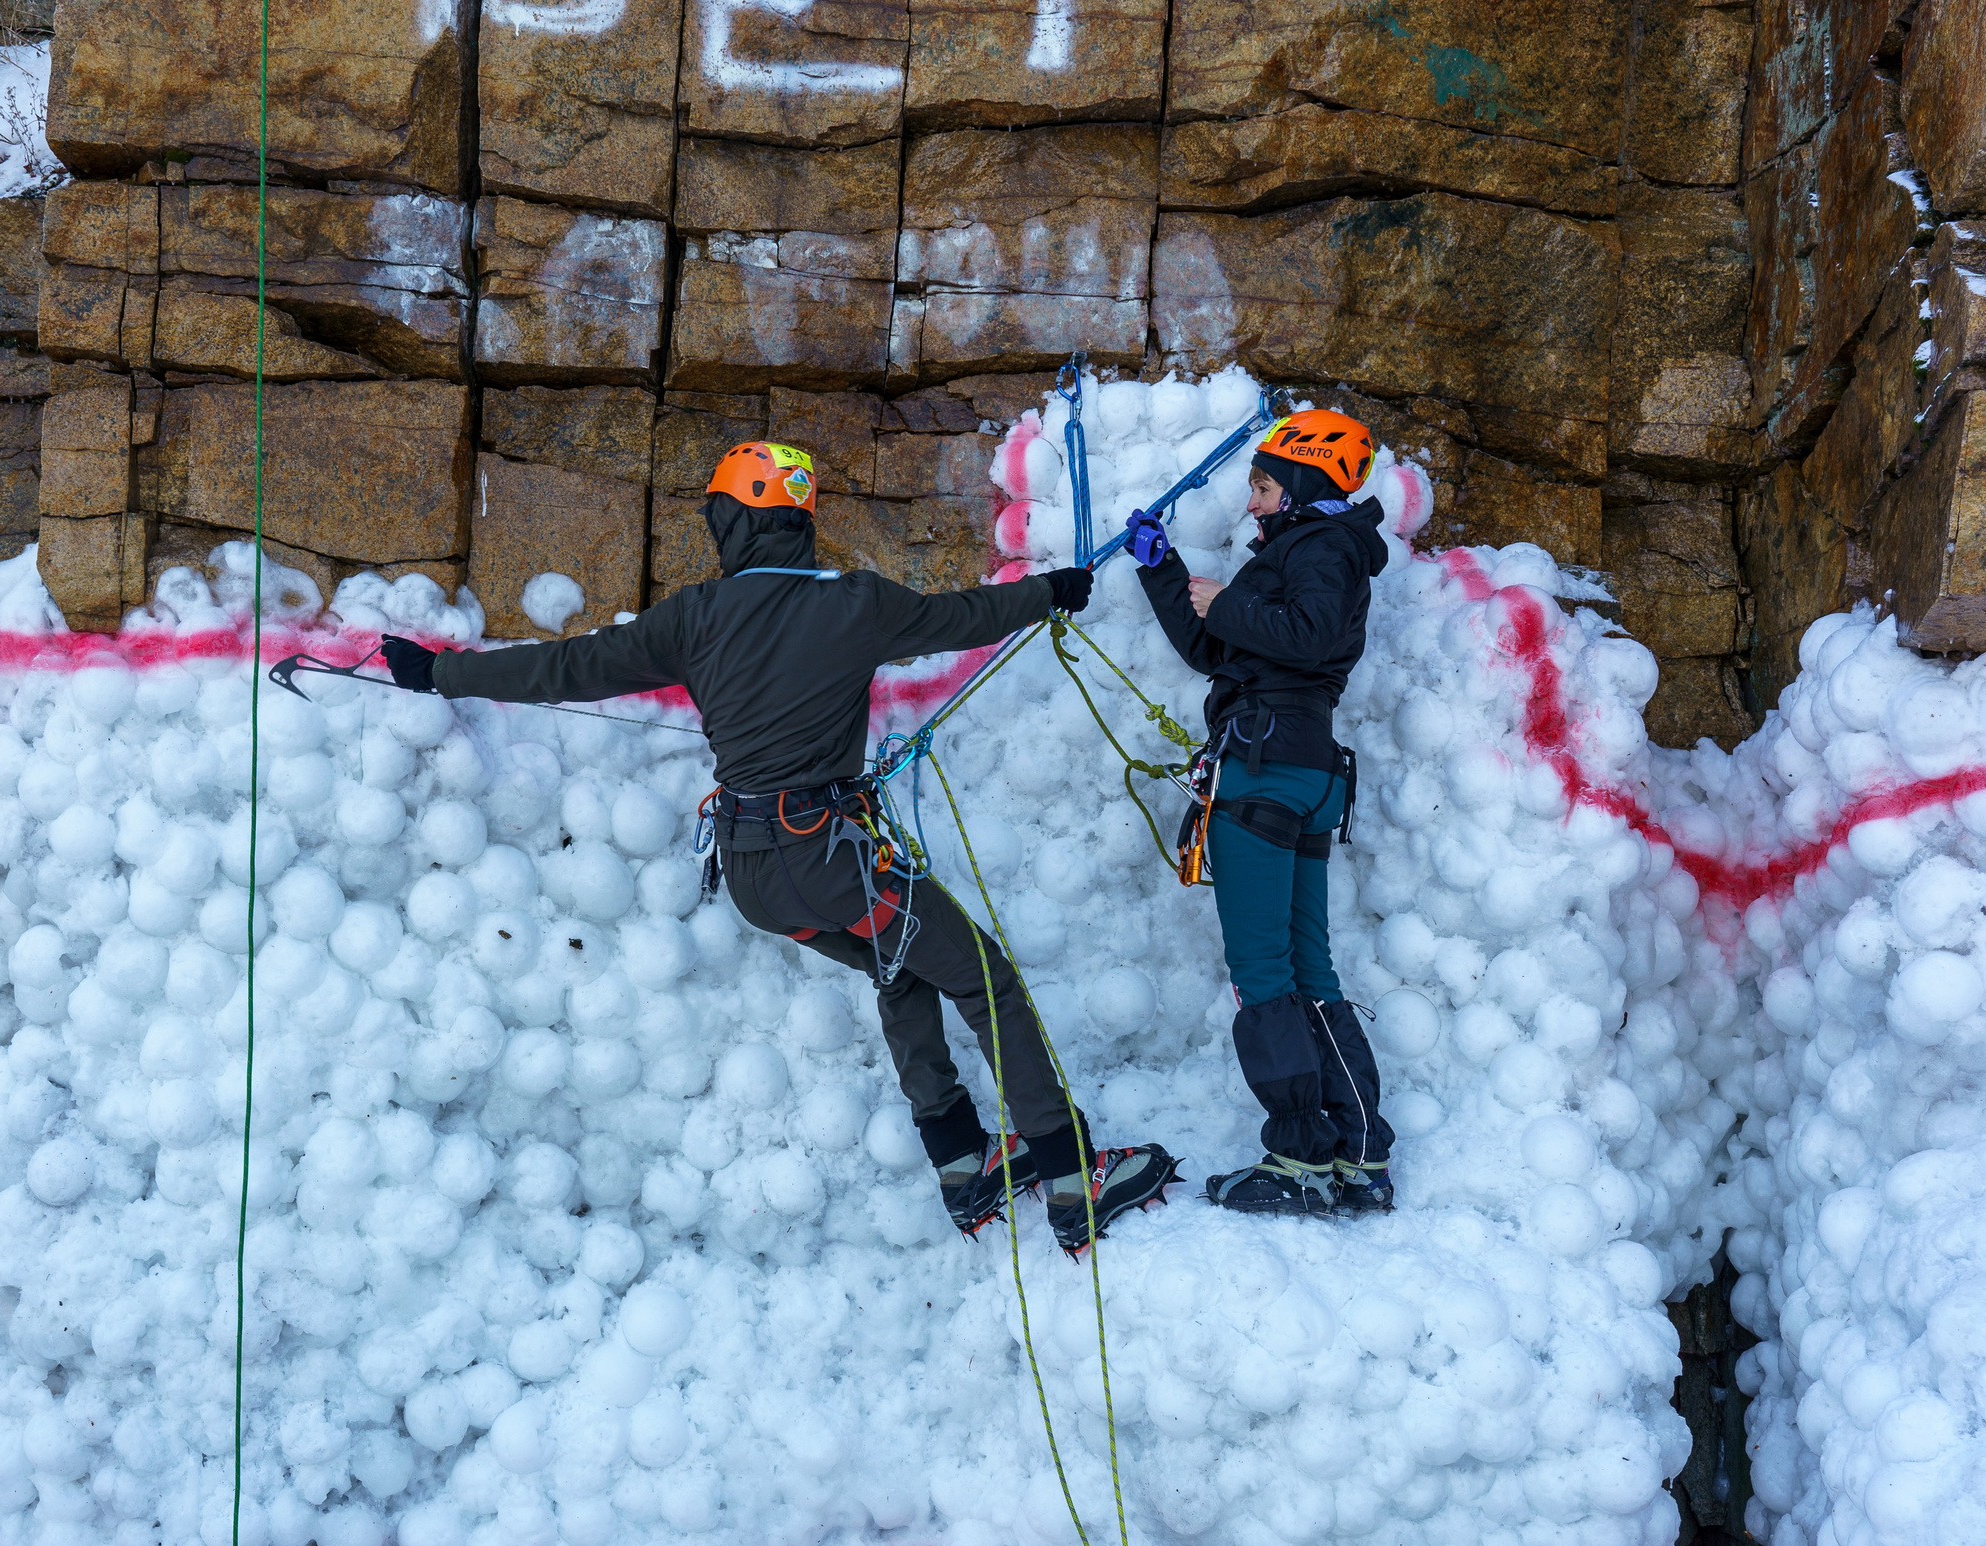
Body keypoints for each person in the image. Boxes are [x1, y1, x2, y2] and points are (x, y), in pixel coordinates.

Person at [376, 441, 1181, 1254]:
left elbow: (566, 667)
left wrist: (439, 674)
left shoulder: (693, 616)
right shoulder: (856, 603)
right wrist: (1051, 591)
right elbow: (964, 616)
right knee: (983, 975)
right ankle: (1074, 1178)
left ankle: (964, 1163)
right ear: (796, 520)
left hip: (755, 875)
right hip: (828, 858)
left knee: (900, 961)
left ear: (733, 520)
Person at [1120, 409, 1396, 1217]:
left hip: (1264, 769)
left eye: (1264, 487)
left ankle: (1299, 1158)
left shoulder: (1323, 547)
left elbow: (1303, 635)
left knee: (1263, 972)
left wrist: (1224, 602)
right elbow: (1214, 649)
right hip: (1301, 771)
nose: (1253, 502)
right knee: (1308, 968)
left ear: (1302, 483)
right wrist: (1165, 571)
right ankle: (1359, 1153)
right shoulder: (1310, 551)